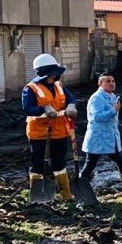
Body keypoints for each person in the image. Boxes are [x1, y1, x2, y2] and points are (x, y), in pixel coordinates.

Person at [22, 54, 78, 200]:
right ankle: (36, 193)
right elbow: (28, 109)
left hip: (59, 132)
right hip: (40, 133)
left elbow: (70, 98)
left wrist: (71, 105)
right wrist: (43, 110)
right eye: (55, 72)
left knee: (59, 162)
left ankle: (65, 193)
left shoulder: (58, 86)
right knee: (38, 163)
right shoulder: (31, 88)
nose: (58, 75)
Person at [79, 73, 122, 192]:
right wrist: (113, 110)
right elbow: (97, 118)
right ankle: (79, 188)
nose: (112, 83)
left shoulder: (112, 96)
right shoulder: (97, 98)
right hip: (99, 137)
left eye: (113, 81)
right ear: (100, 84)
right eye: (108, 81)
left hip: (110, 137)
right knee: (90, 165)